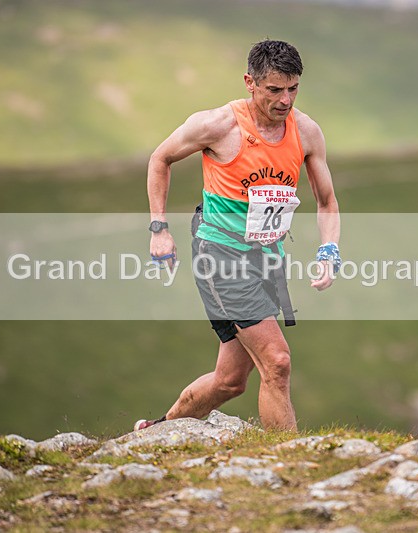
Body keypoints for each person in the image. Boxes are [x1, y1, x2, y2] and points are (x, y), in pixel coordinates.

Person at [141, 39, 340, 432]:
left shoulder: (306, 131)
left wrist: (329, 250)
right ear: (250, 82)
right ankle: (288, 465)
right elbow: (159, 159)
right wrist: (159, 229)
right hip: (220, 256)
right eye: (274, 89)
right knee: (277, 361)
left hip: (267, 258)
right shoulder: (217, 125)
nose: (285, 100)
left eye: (293, 88)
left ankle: (157, 430)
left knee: (230, 381)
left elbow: (327, 201)